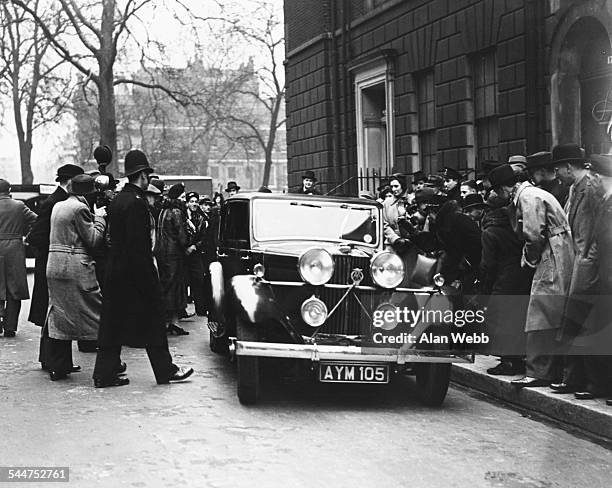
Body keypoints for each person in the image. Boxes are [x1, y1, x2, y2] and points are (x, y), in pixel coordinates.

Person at [93, 149, 193, 388]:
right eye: (147, 173)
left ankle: (104, 373)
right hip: (134, 273)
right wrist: (150, 281)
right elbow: (138, 249)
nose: (149, 178)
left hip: (115, 272)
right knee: (154, 320)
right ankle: (165, 370)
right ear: (142, 175)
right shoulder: (137, 204)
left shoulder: (118, 201)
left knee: (112, 325)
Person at [488, 163, 574, 388]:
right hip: (558, 249)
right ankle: (551, 370)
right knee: (551, 311)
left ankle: (539, 372)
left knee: (540, 312)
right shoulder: (534, 193)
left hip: (551, 252)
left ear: (504, 189)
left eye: (498, 191)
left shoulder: (527, 197)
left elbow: (534, 235)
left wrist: (529, 260)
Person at [545, 144, 599, 395]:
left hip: (587, 268)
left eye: (558, 168)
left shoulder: (588, 189)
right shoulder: (574, 188)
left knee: (583, 324)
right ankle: (575, 379)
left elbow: (588, 239)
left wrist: (582, 274)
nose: (556, 174)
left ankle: (589, 382)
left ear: (569, 166)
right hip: (578, 264)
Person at [44, 175, 107, 381]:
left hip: (54, 265)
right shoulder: (80, 209)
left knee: (59, 316)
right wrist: (99, 218)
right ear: (87, 193)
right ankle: (109, 364)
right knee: (98, 313)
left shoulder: (59, 206)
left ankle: (59, 366)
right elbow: (93, 240)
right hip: (75, 268)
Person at [27, 164, 84, 367]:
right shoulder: (57, 202)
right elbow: (36, 237)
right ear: (70, 182)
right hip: (53, 263)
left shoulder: (55, 200)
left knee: (53, 313)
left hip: (50, 261)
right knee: (57, 313)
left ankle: (51, 360)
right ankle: (56, 362)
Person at [480, 185, 533, 376]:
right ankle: (519, 357)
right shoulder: (515, 227)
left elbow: (488, 264)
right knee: (517, 318)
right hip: (522, 275)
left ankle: (508, 361)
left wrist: (485, 286)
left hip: (502, 281)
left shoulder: (490, 232)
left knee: (498, 319)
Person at [572, 154, 612, 404]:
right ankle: (599, 384)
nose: (591, 182)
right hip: (604, 282)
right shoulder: (605, 204)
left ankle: (600, 384)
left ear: (598, 177)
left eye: (593, 178)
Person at [0, 179, 37, 337]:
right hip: (15, 248)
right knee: (14, 288)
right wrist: (26, 238)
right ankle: (10, 326)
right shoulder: (19, 206)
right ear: (9, 190)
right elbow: (37, 221)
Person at [156, 183, 190, 335]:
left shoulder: (163, 210)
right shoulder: (176, 212)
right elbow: (181, 236)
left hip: (162, 252)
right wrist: (188, 244)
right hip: (174, 255)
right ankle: (173, 323)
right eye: (183, 196)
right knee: (175, 287)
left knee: (166, 285)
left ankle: (168, 322)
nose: (184, 199)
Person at [185, 191, 208, 317]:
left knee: (199, 279)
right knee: (183, 281)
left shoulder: (200, 219)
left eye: (195, 202)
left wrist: (195, 246)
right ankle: (182, 309)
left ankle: (201, 308)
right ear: (187, 203)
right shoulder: (182, 216)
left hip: (195, 253)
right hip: (183, 253)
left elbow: (203, 237)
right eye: (191, 201)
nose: (194, 204)